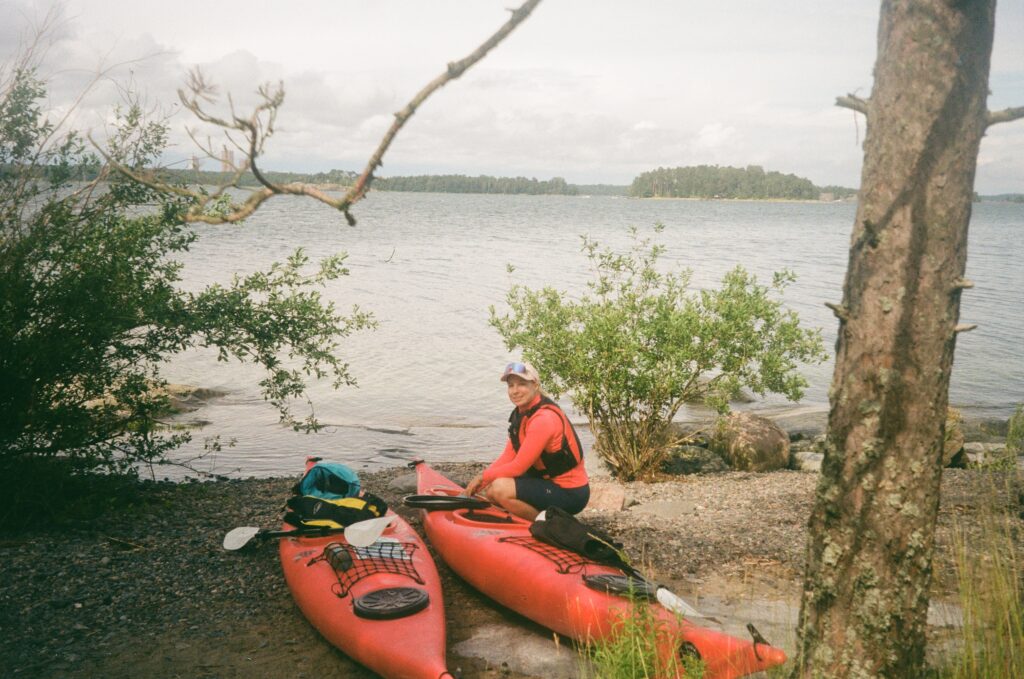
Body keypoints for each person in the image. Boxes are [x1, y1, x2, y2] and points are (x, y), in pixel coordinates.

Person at [464, 361, 589, 520]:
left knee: (500, 488)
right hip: (548, 483)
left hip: (570, 492)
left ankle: (545, 526)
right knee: (491, 491)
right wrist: (482, 482)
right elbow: (508, 457)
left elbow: (518, 467)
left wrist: (482, 477)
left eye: (522, 384)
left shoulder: (543, 418)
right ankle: (525, 519)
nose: (515, 391)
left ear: (535, 385)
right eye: (511, 385)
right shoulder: (522, 414)